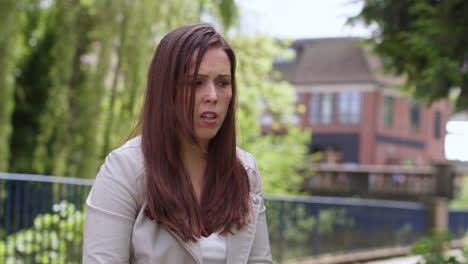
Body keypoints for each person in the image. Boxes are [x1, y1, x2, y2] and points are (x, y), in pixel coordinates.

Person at [82, 23, 272, 263]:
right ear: (166, 90)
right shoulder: (124, 169)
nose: (212, 95)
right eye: (196, 83)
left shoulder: (246, 170)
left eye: (223, 82)